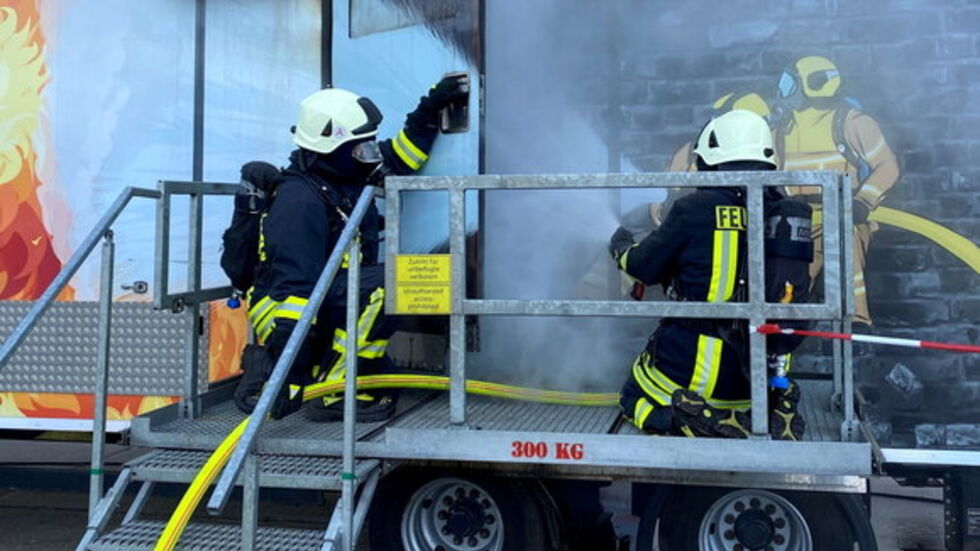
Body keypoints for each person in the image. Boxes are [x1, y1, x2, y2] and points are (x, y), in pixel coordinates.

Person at [234, 75, 468, 422]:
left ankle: (344, 369)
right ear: (332, 147)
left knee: (419, 277)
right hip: (285, 308)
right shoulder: (299, 201)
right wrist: (290, 368)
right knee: (392, 282)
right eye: (360, 147)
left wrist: (430, 109)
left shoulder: (341, 174)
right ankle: (334, 391)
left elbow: (402, 156)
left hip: (325, 294)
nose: (368, 153)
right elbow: (295, 288)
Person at [611, 109, 803, 440]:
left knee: (633, 397)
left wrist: (620, 245)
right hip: (756, 379)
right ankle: (775, 405)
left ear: (709, 159)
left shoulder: (694, 209)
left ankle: (687, 417)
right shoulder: (780, 211)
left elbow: (643, 266)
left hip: (696, 370)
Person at [773, 55, 900, 326]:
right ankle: (785, 329)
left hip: (843, 216)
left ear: (809, 85)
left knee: (847, 256)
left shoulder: (852, 123)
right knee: (789, 284)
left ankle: (857, 322)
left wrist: (863, 202)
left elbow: (887, 165)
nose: (783, 91)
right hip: (798, 220)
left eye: (789, 84)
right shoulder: (782, 130)